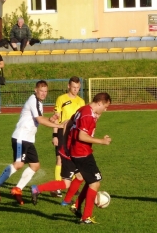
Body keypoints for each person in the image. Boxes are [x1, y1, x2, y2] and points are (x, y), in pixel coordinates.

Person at [0, 80, 66, 205]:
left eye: (45, 91)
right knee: (18, 164)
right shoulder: (33, 100)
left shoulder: (39, 103)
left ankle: (17, 189)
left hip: (28, 139)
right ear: (35, 90)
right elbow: (39, 120)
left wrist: (51, 119)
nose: (44, 93)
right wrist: (59, 126)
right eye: (41, 91)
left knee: (35, 166)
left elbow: (40, 118)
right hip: (21, 138)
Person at [67, 92, 112, 225]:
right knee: (95, 183)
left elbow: (70, 123)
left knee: (90, 179)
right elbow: (82, 136)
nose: (106, 109)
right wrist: (102, 141)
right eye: (105, 106)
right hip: (82, 153)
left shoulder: (83, 110)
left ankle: (76, 206)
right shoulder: (87, 114)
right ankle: (86, 217)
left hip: (77, 151)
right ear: (99, 103)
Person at [51, 76, 85, 198]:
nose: (75, 89)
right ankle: (57, 187)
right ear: (68, 86)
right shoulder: (61, 99)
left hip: (75, 134)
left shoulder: (81, 102)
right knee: (60, 158)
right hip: (62, 132)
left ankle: (72, 186)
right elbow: (56, 117)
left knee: (75, 159)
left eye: (77, 88)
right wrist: (55, 135)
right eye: (73, 87)